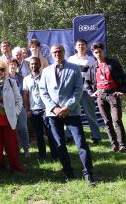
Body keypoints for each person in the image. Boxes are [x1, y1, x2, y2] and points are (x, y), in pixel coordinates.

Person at [39, 44, 95, 186]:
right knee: (60, 144)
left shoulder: (74, 68)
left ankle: (88, 174)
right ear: (51, 54)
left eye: (60, 51)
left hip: (72, 112)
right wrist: (54, 108)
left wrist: (67, 107)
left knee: (81, 143)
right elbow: (43, 92)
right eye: (55, 52)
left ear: (64, 52)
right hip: (53, 114)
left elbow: (78, 90)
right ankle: (68, 172)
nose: (57, 54)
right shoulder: (45, 72)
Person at [87, 42, 126, 152]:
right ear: (93, 53)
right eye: (96, 52)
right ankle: (113, 145)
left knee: (117, 120)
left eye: (100, 51)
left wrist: (122, 91)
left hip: (113, 94)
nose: (98, 54)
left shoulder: (113, 63)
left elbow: (123, 77)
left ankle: (122, 145)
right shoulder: (92, 66)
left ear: (103, 51)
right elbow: (87, 82)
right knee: (107, 121)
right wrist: (92, 92)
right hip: (100, 95)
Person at [0, 58, 24, 171]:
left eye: (2, 69)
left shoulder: (11, 82)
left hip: (8, 119)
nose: (0, 72)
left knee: (11, 145)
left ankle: (15, 166)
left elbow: (19, 100)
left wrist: (15, 113)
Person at [23, 57, 58, 161]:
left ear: (40, 64)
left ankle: (55, 155)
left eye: (36, 63)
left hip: (46, 109)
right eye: (32, 64)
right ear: (29, 66)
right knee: (38, 135)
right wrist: (27, 110)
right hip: (34, 110)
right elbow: (25, 95)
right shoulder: (26, 79)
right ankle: (42, 156)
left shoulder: (46, 76)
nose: (34, 65)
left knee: (50, 133)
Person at [67, 39, 102, 144]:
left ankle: (96, 137)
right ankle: (69, 136)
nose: (81, 47)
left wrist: (94, 89)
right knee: (70, 114)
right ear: (75, 47)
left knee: (90, 114)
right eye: (79, 45)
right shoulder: (70, 59)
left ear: (86, 47)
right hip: (73, 91)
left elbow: (95, 76)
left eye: (83, 45)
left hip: (86, 91)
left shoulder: (91, 59)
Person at [8, 58, 30, 158]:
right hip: (8, 108)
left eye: (14, 64)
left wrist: (27, 107)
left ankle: (26, 149)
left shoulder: (21, 77)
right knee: (13, 129)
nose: (13, 66)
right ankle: (15, 149)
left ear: (17, 66)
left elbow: (25, 94)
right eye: (10, 64)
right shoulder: (3, 78)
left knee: (23, 128)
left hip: (20, 107)